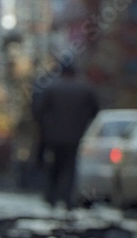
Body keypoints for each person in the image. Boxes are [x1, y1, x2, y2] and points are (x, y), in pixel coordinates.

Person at [33, 58, 100, 209]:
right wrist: (82, 123)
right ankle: (67, 198)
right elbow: (95, 110)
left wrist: (46, 127)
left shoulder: (51, 89)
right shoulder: (85, 89)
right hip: (74, 135)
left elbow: (38, 111)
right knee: (69, 166)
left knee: (55, 165)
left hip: (53, 136)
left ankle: (52, 197)